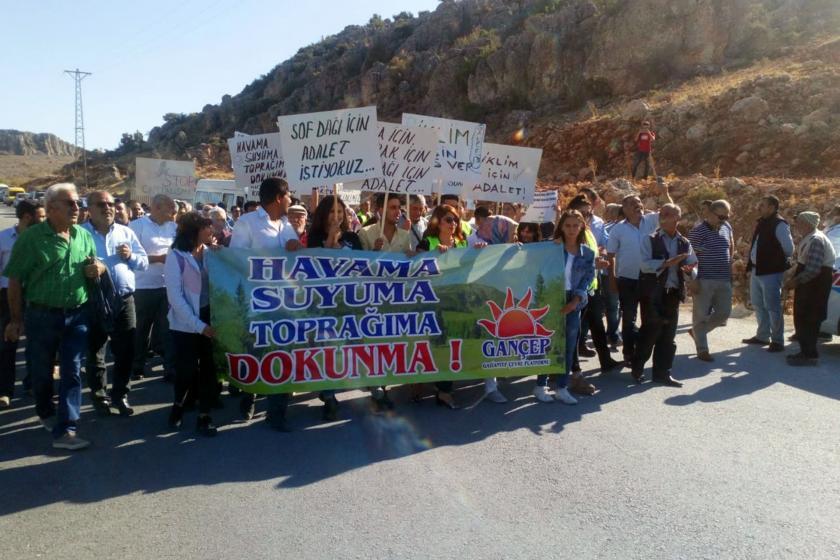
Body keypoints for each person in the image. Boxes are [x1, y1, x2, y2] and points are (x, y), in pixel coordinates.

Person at [3, 183, 105, 450]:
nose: (77, 208)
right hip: (41, 316)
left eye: (77, 203)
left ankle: (66, 429)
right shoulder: (32, 238)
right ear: (51, 209)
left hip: (77, 315)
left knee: (72, 370)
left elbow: (96, 262)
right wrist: (15, 319)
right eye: (70, 203)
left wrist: (98, 268)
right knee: (41, 370)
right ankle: (45, 410)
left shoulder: (83, 235)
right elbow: (15, 280)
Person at [230, 178, 301, 430]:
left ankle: (277, 414)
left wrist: (294, 245)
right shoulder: (246, 222)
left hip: (283, 304)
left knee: (282, 354)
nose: (291, 200)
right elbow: (235, 258)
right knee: (256, 352)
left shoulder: (285, 224)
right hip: (255, 303)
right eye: (289, 195)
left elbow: (294, 253)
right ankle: (248, 399)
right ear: (278, 198)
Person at [82, 191, 148, 417]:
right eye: (101, 204)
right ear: (89, 208)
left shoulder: (125, 232)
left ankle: (120, 394)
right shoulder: (80, 234)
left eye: (111, 204)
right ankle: (99, 396)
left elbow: (144, 263)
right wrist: (87, 270)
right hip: (94, 302)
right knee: (95, 352)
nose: (108, 208)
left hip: (124, 300)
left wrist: (130, 256)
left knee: (126, 351)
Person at [606, 183, 673, 368]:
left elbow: (671, 212)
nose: (638, 206)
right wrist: (612, 280)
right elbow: (610, 257)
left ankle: (640, 354)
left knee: (648, 318)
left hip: (649, 279)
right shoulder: (617, 229)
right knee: (628, 319)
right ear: (624, 209)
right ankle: (628, 352)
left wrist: (665, 193)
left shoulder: (652, 221)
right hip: (626, 281)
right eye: (632, 204)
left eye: (639, 202)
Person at [533, 210, 595, 405]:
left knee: (568, 346)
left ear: (581, 227)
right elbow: (535, 266)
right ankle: (540, 385)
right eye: (567, 225)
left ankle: (561, 387)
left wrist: (576, 300)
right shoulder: (552, 247)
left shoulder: (587, 253)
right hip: (552, 296)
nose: (571, 230)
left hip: (573, 299)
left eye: (575, 226)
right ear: (561, 227)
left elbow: (587, 278)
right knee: (548, 342)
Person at [164, 212, 218, 436]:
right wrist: (198, 326)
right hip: (185, 325)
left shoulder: (210, 254)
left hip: (209, 318)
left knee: (208, 369)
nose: (211, 231)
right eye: (206, 227)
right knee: (186, 370)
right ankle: (179, 404)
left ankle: (204, 415)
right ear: (194, 231)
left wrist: (221, 255)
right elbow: (175, 298)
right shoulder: (175, 257)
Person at [631, 203, 697, 386]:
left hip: (673, 294)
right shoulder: (649, 239)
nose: (663, 216)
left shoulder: (685, 242)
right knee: (650, 332)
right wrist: (667, 263)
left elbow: (693, 264)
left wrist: (690, 269)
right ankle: (637, 367)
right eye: (662, 213)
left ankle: (663, 373)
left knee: (668, 336)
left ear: (678, 218)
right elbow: (644, 265)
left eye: (668, 213)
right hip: (653, 293)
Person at [566, 195, 624, 393]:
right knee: (573, 332)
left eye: (589, 212)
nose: (587, 216)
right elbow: (572, 262)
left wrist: (598, 257)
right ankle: (574, 373)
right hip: (573, 291)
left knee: (597, 326)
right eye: (583, 213)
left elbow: (591, 255)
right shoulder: (568, 236)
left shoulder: (588, 232)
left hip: (591, 286)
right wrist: (593, 263)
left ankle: (605, 360)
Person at [415, 204, 469, 409]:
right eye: (448, 219)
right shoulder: (428, 242)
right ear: (437, 221)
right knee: (433, 344)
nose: (452, 223)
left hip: (455, 302)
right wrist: (429, 255)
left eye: (455, 220)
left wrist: (479, 250)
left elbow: (472, 262)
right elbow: (414, 265)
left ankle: (444, 389)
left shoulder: (463, 244)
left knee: (451, 344)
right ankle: (427, 384)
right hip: (431, 302)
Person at [0, 200, 46, 408]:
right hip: (6, 296)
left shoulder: (44, 239)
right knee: (7, 345)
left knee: (37, 343)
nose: (44, 220)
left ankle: (32, 384)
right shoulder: (3, 239)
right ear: (28, 217)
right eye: (41, 216)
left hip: (36, 294)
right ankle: (4, 390)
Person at [130, 194, 178, 382]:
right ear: (157, 207)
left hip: (167, 286)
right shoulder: (137, 226)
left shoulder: (174, 227)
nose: (173, 213)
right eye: (170, 209)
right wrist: (159, 259)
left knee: (167, 328)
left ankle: (169, 367)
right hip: (143, 287)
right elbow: (130, 256)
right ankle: (137, 366)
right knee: (141, 329)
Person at [742, 195, 794, 352]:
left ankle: (777, 341)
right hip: (757, 270)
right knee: (758, 304)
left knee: (772, 306)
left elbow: (789, 249)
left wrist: (773, 258)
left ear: (772, 207)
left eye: (763, 205)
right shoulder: (762, 222)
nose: (759, 208)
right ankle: (763, 335)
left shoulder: (780, 224)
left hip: (771, 271)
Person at [784, 212, 837, 366]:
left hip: (815, 284)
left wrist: (796, 281)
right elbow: (803, 263)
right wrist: (792, 276)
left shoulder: (816, 240)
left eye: (799, 222)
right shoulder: (810, 238)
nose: (797, 226)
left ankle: (809, 354)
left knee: (809, 318)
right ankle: (805, 352)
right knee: (803, 316)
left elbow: (813, 269)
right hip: (810, 283)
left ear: (807, 223)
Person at [687, 199, 735, 362]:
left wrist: (730, 272)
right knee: (700, 315)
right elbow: (688, 259)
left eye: (727, 217)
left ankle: (697, 332)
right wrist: (691, 280)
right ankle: (702, 348)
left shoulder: (727, 228)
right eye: (721, 217)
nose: (724, 220)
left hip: (723, 278)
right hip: (704, 279)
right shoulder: (697, 232)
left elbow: (730, 249)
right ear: (709, 214)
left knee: (724, 313)